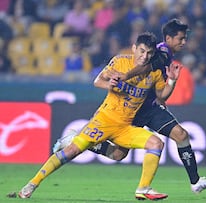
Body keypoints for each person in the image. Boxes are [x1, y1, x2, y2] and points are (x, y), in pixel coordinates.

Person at [54, 18, 206, 193]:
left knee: (181, 135)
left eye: (185, 38)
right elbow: (145, 68)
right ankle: (75, 140)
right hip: (133, 110)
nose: (184, 42)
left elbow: (160, 94)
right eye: (181, 38)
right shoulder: (161, 53)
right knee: (118, 154)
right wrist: (125, 76)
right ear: (169, 38)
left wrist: (171, 81)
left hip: (150, 108)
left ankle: (195, 182)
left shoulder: (168, 55)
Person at [18, 32, 178, 201]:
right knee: (71, 152)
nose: (145, 57)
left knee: (144, 147)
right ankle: (32, 184)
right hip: (104, 120)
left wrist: (172, 81)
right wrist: (109, 84)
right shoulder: (120, 61)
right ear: (134, 48)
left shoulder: (154, 72)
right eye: (142, 51)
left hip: (126, 126)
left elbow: (161, 97)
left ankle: (143, 188)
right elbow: (97, 81)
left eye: (149, 53)